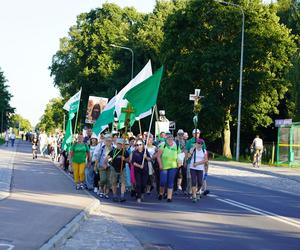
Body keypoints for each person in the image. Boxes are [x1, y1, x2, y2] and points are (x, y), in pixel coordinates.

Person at [156, 132, 181, 202]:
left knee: (170, 182)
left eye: (171, 139)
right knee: (163, 181)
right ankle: (161, 193)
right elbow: (158, 156)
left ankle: (169, 197)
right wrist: (160, 164)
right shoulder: (163, 145)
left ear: (173, 140)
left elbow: (179, 156)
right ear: (166, 140)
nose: (170, 140)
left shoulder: (176, 146)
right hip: (164, 166)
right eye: (168, 139)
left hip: (173, 166)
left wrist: (179, 162)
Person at [105, 138, 129, 202]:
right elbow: (107, 158)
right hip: (114, 168)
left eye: (121, 144)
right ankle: (115, 195)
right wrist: (109, 161)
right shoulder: (113, 151)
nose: (120, 145)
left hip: (122, 169)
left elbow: (129, 160)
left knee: (123, 182)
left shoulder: (125, 151)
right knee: (114, 182)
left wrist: (124, 159)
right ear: (117, 144)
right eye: (119, 144)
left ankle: (122, 196)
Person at [187, 138, 208, 203]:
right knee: (193, 182)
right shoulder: (193, 150)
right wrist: (191, 150)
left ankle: (197, 191)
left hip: (200, 168)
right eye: (198, 143)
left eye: (201, 143)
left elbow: (205, 160)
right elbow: (187, 157)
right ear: (196, 144)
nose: (200, 145)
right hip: (193, 168)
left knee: (200, 183)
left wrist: (197, 163)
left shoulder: (204, 151)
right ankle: (194, 196)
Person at [94, 134, 114, 198]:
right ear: (105, 141)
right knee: (103, 179)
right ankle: (101, 190)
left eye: (110, 141)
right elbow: (97, 157)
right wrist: (95, 166)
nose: (108, 142)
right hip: (102, 166)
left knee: (109, 181)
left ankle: (106, 193)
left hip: (110, 167)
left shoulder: (114, 149)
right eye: (107, 140)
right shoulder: (102, 148)